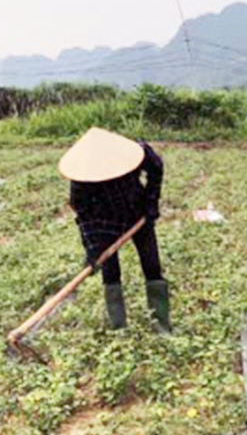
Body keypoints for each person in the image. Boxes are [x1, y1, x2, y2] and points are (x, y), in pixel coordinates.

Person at [59, 127, 170, 332]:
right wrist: (93, 249)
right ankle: (119, 329)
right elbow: (83, 213)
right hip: (105, 220)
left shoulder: (134, 151)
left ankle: (161, 326)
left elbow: (156, 166)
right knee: (110, 272)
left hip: (137, 211)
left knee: (152, 266)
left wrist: (151, 201)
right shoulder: (82, 176)